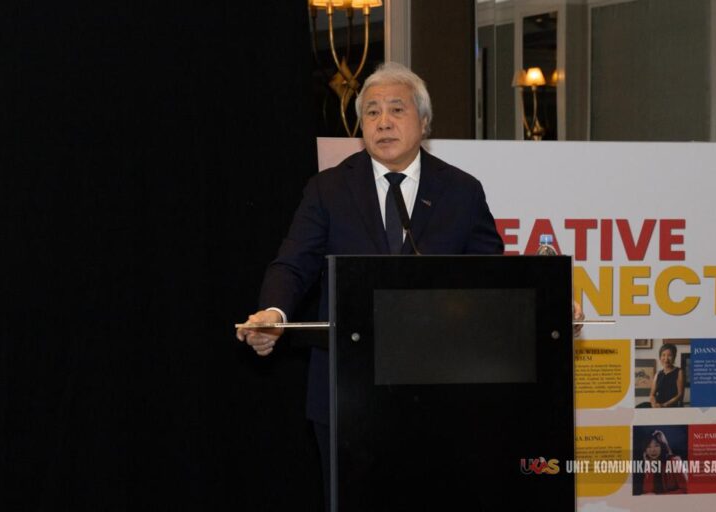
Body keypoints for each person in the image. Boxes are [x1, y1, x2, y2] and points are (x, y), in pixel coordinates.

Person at [236, 62, 583, 508]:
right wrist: (274, 313)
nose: (383, 122)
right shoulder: (328, 189)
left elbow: (493, 279)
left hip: (443, 395)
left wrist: (549, 307)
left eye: (396, 109)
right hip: (348, 396)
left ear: (424, 121)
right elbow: (293, 264)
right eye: (372, 112)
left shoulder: (461, 191)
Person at [639, 430, 688, 494]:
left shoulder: (675, 461)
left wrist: (659, 497)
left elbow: (686, 490)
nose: (653, 450)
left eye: (656, 445)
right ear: (645, 450)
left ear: (662, 446)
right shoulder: (650, 464)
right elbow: (647, 491)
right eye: (648, 447)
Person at [649, 343, 684, 408]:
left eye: (669, 355)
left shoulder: (679, 372)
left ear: (674, 357)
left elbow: (680, 395)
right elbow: (652, 395)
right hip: (658, 407)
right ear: (660, 357)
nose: (666, 358)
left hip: (672, 407)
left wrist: (664, 405)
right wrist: (654, 404)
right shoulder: (658, 374)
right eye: (663, 355)